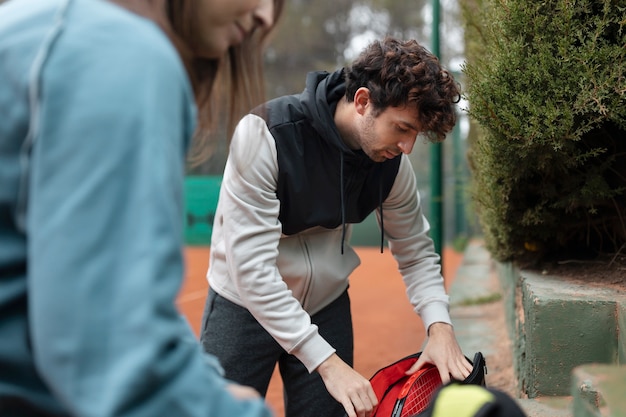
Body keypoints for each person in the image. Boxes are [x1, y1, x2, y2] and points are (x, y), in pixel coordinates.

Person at [0, 0, 282, 416]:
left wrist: (201, 385)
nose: (266, 17)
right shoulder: (121, 54)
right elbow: (108, 356)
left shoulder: (37, 21)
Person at [200, 37, 473, 417]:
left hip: (325, 305)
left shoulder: (393, 166)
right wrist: (326, 363)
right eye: (402, 128)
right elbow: (253, 271)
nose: (408, 147)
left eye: (416, 135)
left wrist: (439, 327)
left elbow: (415, 250)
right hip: (243, 304)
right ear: (362, 101)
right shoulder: (265, 134)